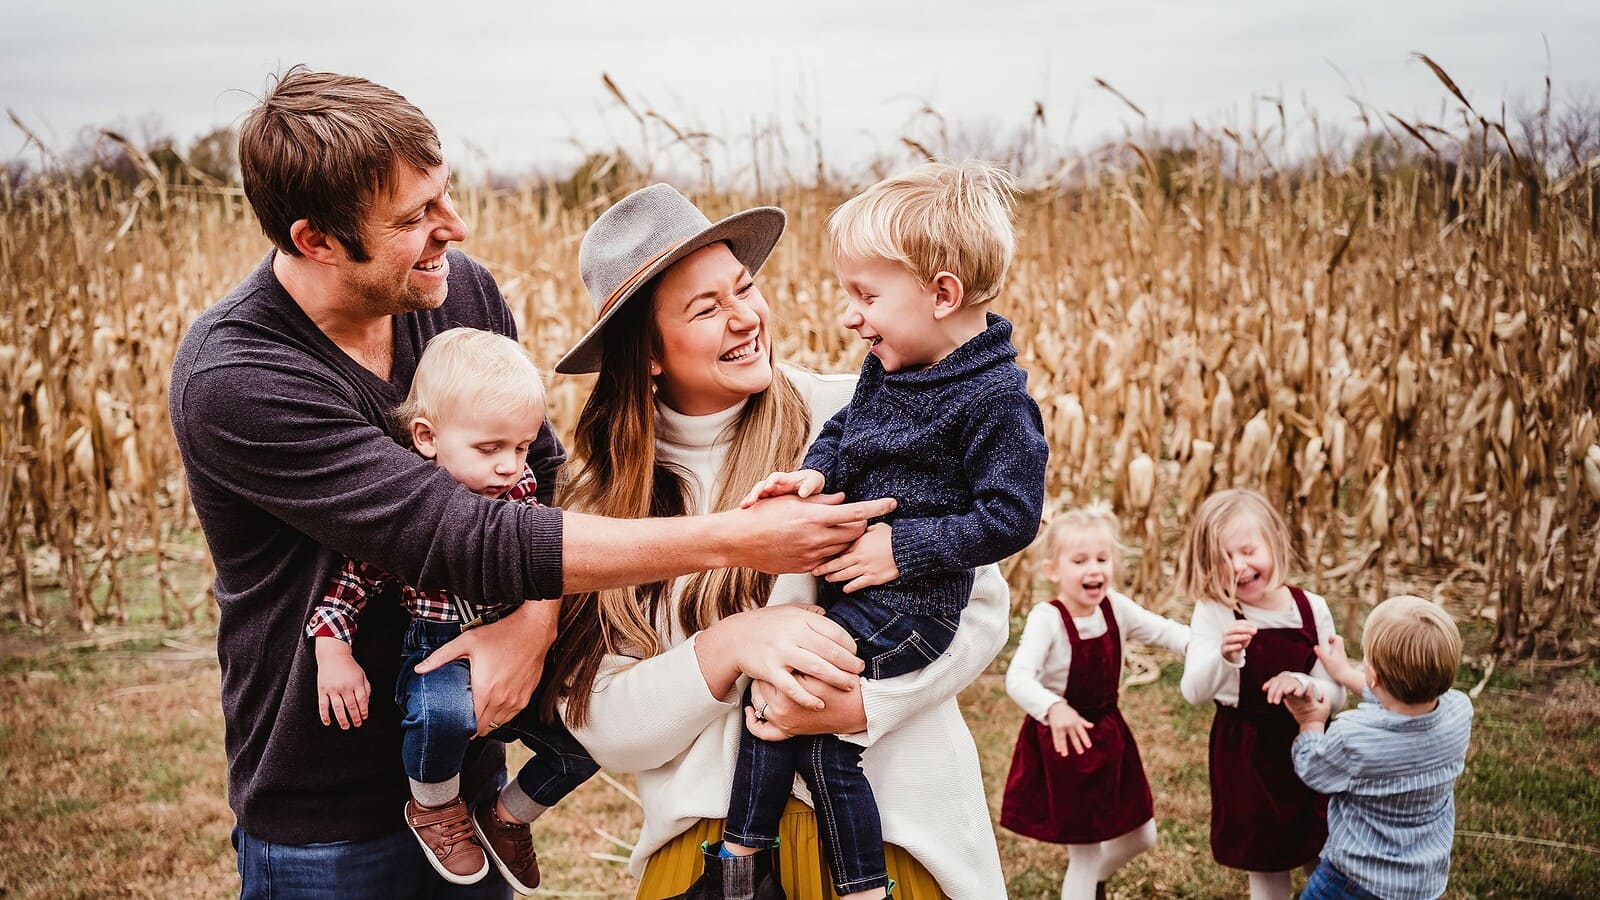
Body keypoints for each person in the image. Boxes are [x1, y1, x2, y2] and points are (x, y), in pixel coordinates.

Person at [168, 67, 892, 900]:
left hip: (471, 766)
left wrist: (534, 625)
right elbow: (455, 533)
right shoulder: (238, 377)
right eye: (414, 218)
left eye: (443, 195)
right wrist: (738, 537)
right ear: (315, 240)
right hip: (327, 811)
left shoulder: (454, 290)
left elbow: (536, 477)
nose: (455, 227)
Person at [539, 182, 1012, 899]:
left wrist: (863, 706)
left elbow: (979, 605)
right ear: (649, 354)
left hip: (896, 835)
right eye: (707, 308)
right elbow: (601, 719)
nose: (745, 318)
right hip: (712, 856)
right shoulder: (602, 503)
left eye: (744, 288)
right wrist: (729, 647)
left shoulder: (855, 413)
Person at [710, 161, 1048, 900]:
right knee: (781, 705)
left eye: (867, 295)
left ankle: (821, 878)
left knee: (810, 728)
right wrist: (815, 476)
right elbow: (845, 431)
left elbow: (1012, 516)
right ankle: (746, 859)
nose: (852, 316)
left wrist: (905, 547)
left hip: (915, 611)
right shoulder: (888, 367)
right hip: (860, 602)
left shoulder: (996, 400)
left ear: (942, 293)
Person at [307, 328, 597, 893]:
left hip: (512, 646)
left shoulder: (520, 495)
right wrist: (332, 650)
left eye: (520, 447)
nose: (510, 467)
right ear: (426, 437)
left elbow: (553, 554)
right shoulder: (408, 513)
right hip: (436, 647)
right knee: (441, 714)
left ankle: (507, 815)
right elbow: (350, 584)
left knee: (591, 734)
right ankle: (435, 807)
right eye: (489, 450)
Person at [1000, 503, 1189, 900]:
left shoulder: (1115, 608)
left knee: (1143, 834)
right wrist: (1053, 708)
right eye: (1080, 560)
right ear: (1053, 570)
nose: (1095, 569)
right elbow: (1018, 678)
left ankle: (1091, 884)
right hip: (1065, 742)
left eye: (1102, 559)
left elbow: (1167, 633)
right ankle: (1085, 887)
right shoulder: (1047, 618)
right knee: (1084, 854)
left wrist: (1209, 646)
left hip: (1109, 735)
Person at [1177, 488, 1345, 900]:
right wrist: (1225, 656)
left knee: (1327, 856)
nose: (1238, 567)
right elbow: (1193, 691)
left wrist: (1306, 685)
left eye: (1248, 550)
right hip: (1248, 757)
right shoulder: (1215, 612)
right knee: (1267, 864)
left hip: (1312, 746)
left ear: (1274, 540)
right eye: (1222, 559)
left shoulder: (1310, 608)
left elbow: (1337, 694)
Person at [1285, 595, 1474, 900]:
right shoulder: (1459, 711)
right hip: (1420, 883)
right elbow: (1402, 699)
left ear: (1373, 676)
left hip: (1351, 882)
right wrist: (1346, 675)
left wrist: (1310, 723)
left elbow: (1313, 768)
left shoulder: (1352, 738)